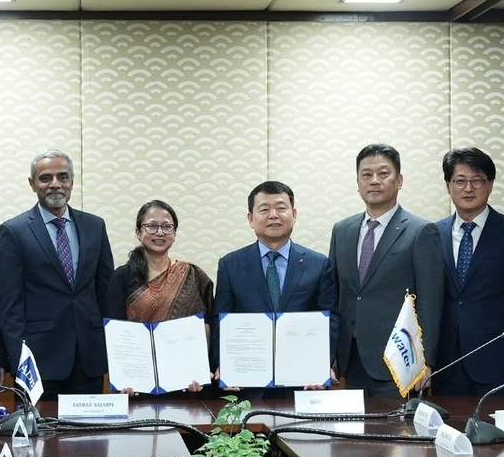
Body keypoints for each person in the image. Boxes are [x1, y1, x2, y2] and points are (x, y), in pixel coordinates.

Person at [0, 149, 114, 395]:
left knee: (89, 433)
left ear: (72, 181)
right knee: (42, 433)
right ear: (32, 184)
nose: (55, 184)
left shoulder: (95, 226)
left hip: (89, 358)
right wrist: (18, 360)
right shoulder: (13, 231)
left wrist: (110, 348)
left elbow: (105, 294)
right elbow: (9, 306)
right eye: (45, 178)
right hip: (39, 360)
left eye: (63, 177)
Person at [330, 145, 443, 398]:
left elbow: (431, 302)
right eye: (366, 175)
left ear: (399, 180)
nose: (375, 181)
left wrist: (425, 361)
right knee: (353, 435)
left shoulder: (420, 231)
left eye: (383, 173)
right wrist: (332, 353)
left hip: (400, 359)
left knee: (394, 435)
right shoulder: (342, 230)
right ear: (357, 182)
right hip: (352, 358)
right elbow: (337, 295)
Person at [424, 147, 504, 396]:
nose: (468, 188)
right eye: (460, 181)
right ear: (448, 185)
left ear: (490, 185)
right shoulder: (434, 234)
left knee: (496, 433)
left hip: (497, 362)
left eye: (477, 181)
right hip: (446, 363)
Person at [213, 181, 334, 397]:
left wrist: (324, 365)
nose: (273, 215)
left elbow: (331, 319)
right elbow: (220, 319)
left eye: (281, 207)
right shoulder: (230, 265)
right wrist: (223, 366)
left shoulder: (319, 264)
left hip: (303, 383)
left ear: (294, 214)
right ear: (250, 218)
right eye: (264, 209)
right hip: (247, 385)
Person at [104, 200, 215, 393]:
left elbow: (207, 327)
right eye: (151, 226)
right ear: (138, 232)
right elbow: (115, 332)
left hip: (184, 384)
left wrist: (200, 370)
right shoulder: (122, 277)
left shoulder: (192, 275)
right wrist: (124, 378)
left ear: (175, 234)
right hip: (136, 385)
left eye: (167, 227)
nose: (160, 232)